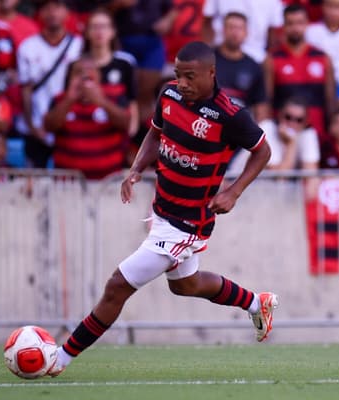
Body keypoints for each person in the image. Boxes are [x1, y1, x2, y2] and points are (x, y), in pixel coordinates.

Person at [46, 42, 278, 377]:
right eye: (178, 74)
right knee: (186, 285)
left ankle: (59, 358)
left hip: (188, 222)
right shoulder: (168, 96)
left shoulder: (229, 115)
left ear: (211, 74)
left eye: (190, 76)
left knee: (117, 287)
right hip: (162, 210)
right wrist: (137, 168)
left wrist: (234, 191)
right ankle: (258, 303)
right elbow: (155, 133)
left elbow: (263, 152)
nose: (182, 82)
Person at [16, 0, 83, 167]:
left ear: (67, 14)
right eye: (47, 7)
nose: (53, 12)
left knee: (67, 180)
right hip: (36, 125)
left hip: (69, 126)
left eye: (58, 7)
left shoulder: (80, 45)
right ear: (40, 13)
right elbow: (26, 91)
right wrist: (32, 127)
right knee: (35, 182)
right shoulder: (27, 47)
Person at [44, 56, 131, 179]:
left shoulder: (114, 97)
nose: (85, 75)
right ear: (70, 77)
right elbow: (49, 127)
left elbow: (126, 124)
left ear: (99, 76)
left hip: (108, 182)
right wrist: (70, 100)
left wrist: (102, 102)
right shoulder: (60, 100)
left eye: (90, 70)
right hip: (68, 183)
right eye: (78, 72)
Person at [264, 4, 336, 138]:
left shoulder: (323, 58)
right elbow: (267, 99)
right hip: (283, 131)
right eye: (290, 23)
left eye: (300, 23)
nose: (295, 28)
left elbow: (330, 99)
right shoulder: (272, 59)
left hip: (316, 132)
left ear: (307, 24)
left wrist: (332, 128)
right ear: (284, 26)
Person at [111, 0, 176, 126]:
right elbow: (99, 9)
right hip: (123, 41)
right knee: (124, 93)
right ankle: (126, 131)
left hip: (152, 41)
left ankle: (141, 136)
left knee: (147, 92)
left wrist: (166, 21)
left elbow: (173, 10)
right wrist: (118, 4)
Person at [83, 9, 139, 136]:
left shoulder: (126, 62)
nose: (99, 31)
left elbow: (132, 100)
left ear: (113, 31)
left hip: (115, 129)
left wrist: (132, 130)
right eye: (94, 27)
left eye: (104, 26)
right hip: (85, 131)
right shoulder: (77, 64)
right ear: (86, 32)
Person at [214, 12, 268, 123]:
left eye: (239, 28)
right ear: (223, 30)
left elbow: (260, 105)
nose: (235, 32)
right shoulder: (207, 59)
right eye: (231, 27)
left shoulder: (253, 67)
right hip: (208, 120)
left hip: (240, 126)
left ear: (246, 33)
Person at [202, 0, 284, 64]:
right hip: (221, 52)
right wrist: (207, 50)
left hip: (257, 55)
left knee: (268, 63)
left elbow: (273, 31)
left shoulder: (272, 1)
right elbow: (207, 22)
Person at [306, 0, 339, 87]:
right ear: (323, 7)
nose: (334, 12)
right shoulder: (310, 31)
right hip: (315, 84)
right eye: (330, 6)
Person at [264, 97, 320, 171]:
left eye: (299, 120)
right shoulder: (266, 128)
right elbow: (280, 176)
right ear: (279, 114)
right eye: (288, 117)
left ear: (306, 122)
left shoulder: (308, 133)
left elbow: (311, 175)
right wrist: (291, 144)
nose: (292, 123)